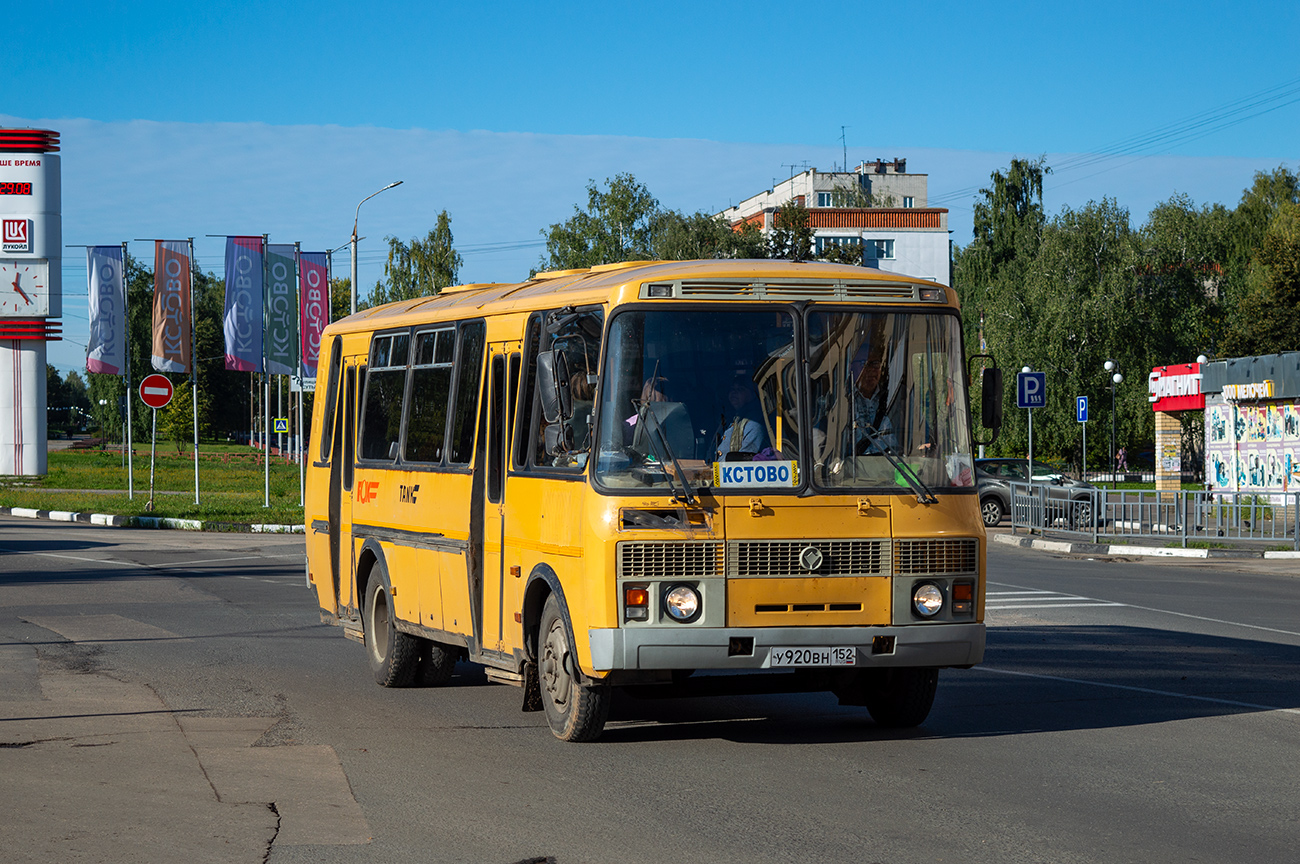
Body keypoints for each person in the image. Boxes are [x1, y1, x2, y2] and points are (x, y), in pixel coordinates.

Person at [715, 376, 766, 460]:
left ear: (753, 394)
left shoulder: (754, 424)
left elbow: (743, 462)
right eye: (732, 389)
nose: (734, 393)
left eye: (740, 389)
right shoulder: (731, 420)